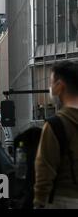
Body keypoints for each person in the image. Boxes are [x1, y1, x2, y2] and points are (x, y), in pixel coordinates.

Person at [34, 61, 78, 209]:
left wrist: (39, 202)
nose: (51, 88)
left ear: (60, 86)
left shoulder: (56, 124)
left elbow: (44, 171)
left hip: (63, 199)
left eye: (51, 82)